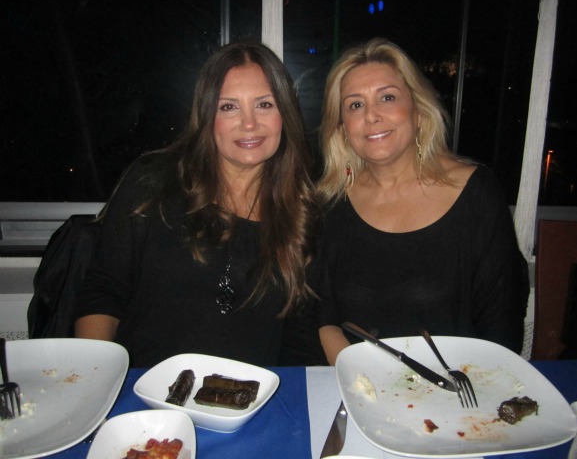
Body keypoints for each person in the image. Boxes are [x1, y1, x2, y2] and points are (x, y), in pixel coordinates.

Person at [74, 42, 323, 368]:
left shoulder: (302, 210)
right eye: (229, 107)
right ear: (207, 116)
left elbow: (300, 330)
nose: (249, 123)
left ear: (285, 115)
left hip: (250, 394)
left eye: (264, 104)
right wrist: (97, 377)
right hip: (146, 389)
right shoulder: (153, 183)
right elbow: (104, 289)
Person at [315, 38, 529, 365]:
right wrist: (359, 380)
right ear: (343, 128)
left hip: (459, 387)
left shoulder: (476, 192)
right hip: (359, 384)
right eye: (355, 105)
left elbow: (502, 328)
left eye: (387, 97)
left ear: (418, 111)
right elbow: (325, 317)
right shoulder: (332, 204)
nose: (371, 115)